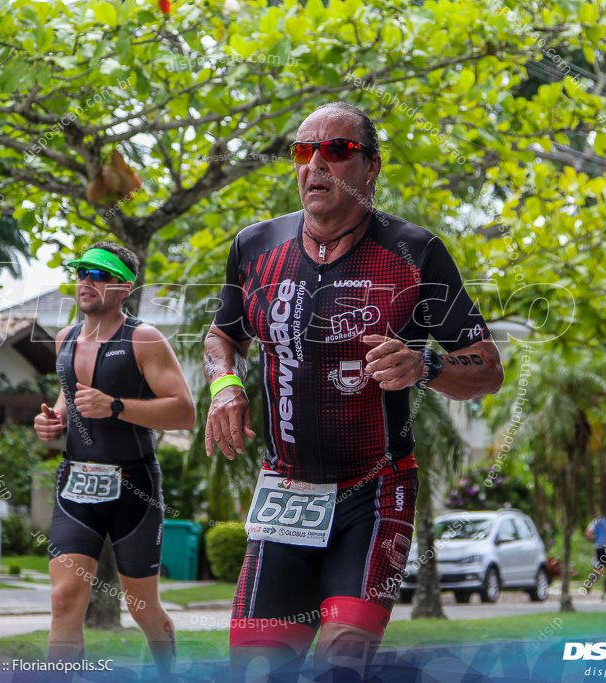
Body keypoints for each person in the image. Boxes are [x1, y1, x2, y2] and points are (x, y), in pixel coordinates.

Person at [203, 102, 504, 681]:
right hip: (285, 491)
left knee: (343, 660)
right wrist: (223, 385)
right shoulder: (254, 246)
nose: (315, 163)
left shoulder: (415, 253)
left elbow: (486, 367)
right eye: (302, 150)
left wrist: (427, 365)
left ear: (371, 168)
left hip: (375, 488)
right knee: (257, 669)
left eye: (335, 150)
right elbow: (223, 334)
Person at [33, 241, 195, 677]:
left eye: (100, 275)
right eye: (83, 272)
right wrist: (53, 421)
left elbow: (184, 411)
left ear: (125, 288)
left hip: (134, 487)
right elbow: (71, 399)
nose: (87, 281)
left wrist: (117, 406)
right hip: (76, 484)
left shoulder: (143, 339)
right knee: (64, 598)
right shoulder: (66, 337)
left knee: (143, 609)